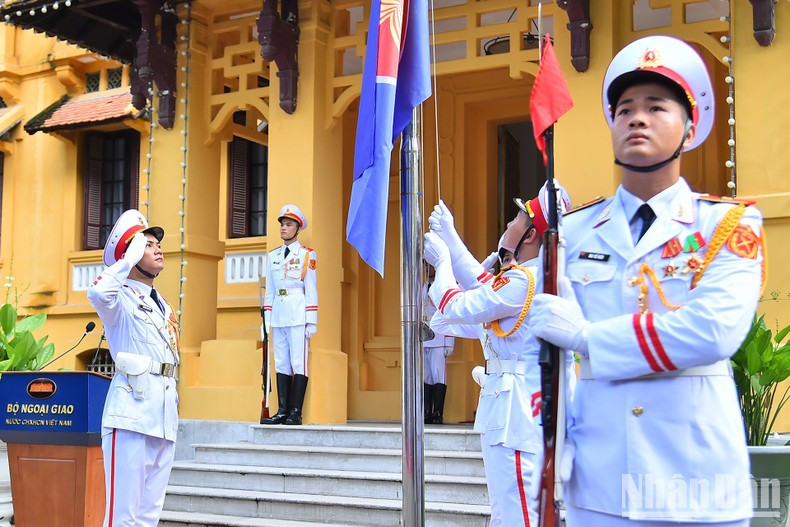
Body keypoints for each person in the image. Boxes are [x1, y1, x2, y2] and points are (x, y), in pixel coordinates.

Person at [527, 35, 765, 527]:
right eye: (624, 109)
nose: (636, 118)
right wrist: (550, 450)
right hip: (600, 475)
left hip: (695, 479)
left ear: (689, 125)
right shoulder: (570, 232)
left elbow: (713, 330)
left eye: (657, 107)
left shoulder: (727, 226)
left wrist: (589, 338)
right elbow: (544, 345)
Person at [423, 182, 574, 527]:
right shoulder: (525, 279)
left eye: (516, 220)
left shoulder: (524, 281)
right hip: (508, 407)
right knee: (507, 508)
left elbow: (458, 305)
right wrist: (451, 235)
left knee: (517, 513)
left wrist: (444, 261)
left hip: (516, 414)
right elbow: (473, 293)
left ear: (532, 234)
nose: (508, 225)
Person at [88, 209, 179, 527]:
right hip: (131, 418)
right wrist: (125, 262)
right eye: (148, 244)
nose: (157, 248)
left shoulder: (162, 303)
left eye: (155, 243)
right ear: (132, 252)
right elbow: (98, 292)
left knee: (148, 518)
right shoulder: (120, 301)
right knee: (121, 519)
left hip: (163, 419)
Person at [261, 204, 318, 426]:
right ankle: (282, 410)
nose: (284, 229)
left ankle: (296, 411)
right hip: (279, 315)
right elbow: (272, 291)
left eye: (289, 225)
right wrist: (267, 319)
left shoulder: (306, 255)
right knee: (281, 362)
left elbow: (311, 287)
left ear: (297, 229)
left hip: (297, 313)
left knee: (298, 362)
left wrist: (311, 320)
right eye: (282, 225)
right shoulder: (273, 256)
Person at [422, 265, 455, 424]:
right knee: (426, 376)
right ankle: (427, 411)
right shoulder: (420, 288)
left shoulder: (442, 287)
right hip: (424, 339)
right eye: (424, 265)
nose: (426, 268)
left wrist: (449, 340)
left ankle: (437, 412)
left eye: (429, 265)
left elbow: (449, 315)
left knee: (439, 375)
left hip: (440, 338)